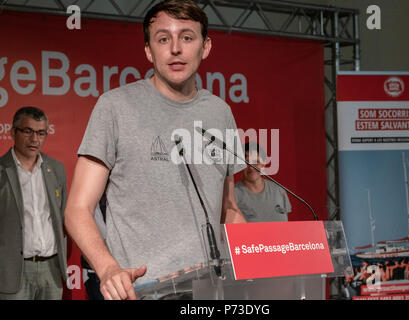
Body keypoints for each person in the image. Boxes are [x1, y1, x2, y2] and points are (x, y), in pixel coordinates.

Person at [64, 0, 246, 301]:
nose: (176, 48)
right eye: (163, 39)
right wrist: (108, 269)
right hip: (140, 292)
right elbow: (77, 209)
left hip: (209, 293)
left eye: (187, 37)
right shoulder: (115, 107)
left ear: (206, 46)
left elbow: (229, 208)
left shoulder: (220, 113)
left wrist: (260, 258)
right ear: (149, 50)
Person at [0, 106, 68, 300]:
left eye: (40, 133)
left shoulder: (56, 169)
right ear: (13, 132)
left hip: (51, 269)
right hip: (13, 271)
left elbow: (62, 216)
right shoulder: (2, 170)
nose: (34, 139)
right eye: (28, 131)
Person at [234, 142, 292, 222]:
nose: (251, 167)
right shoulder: (233, 195)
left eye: (256, 161)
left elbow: (287, 226)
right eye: (246, 162)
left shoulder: (278, 191)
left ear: (263, 163)